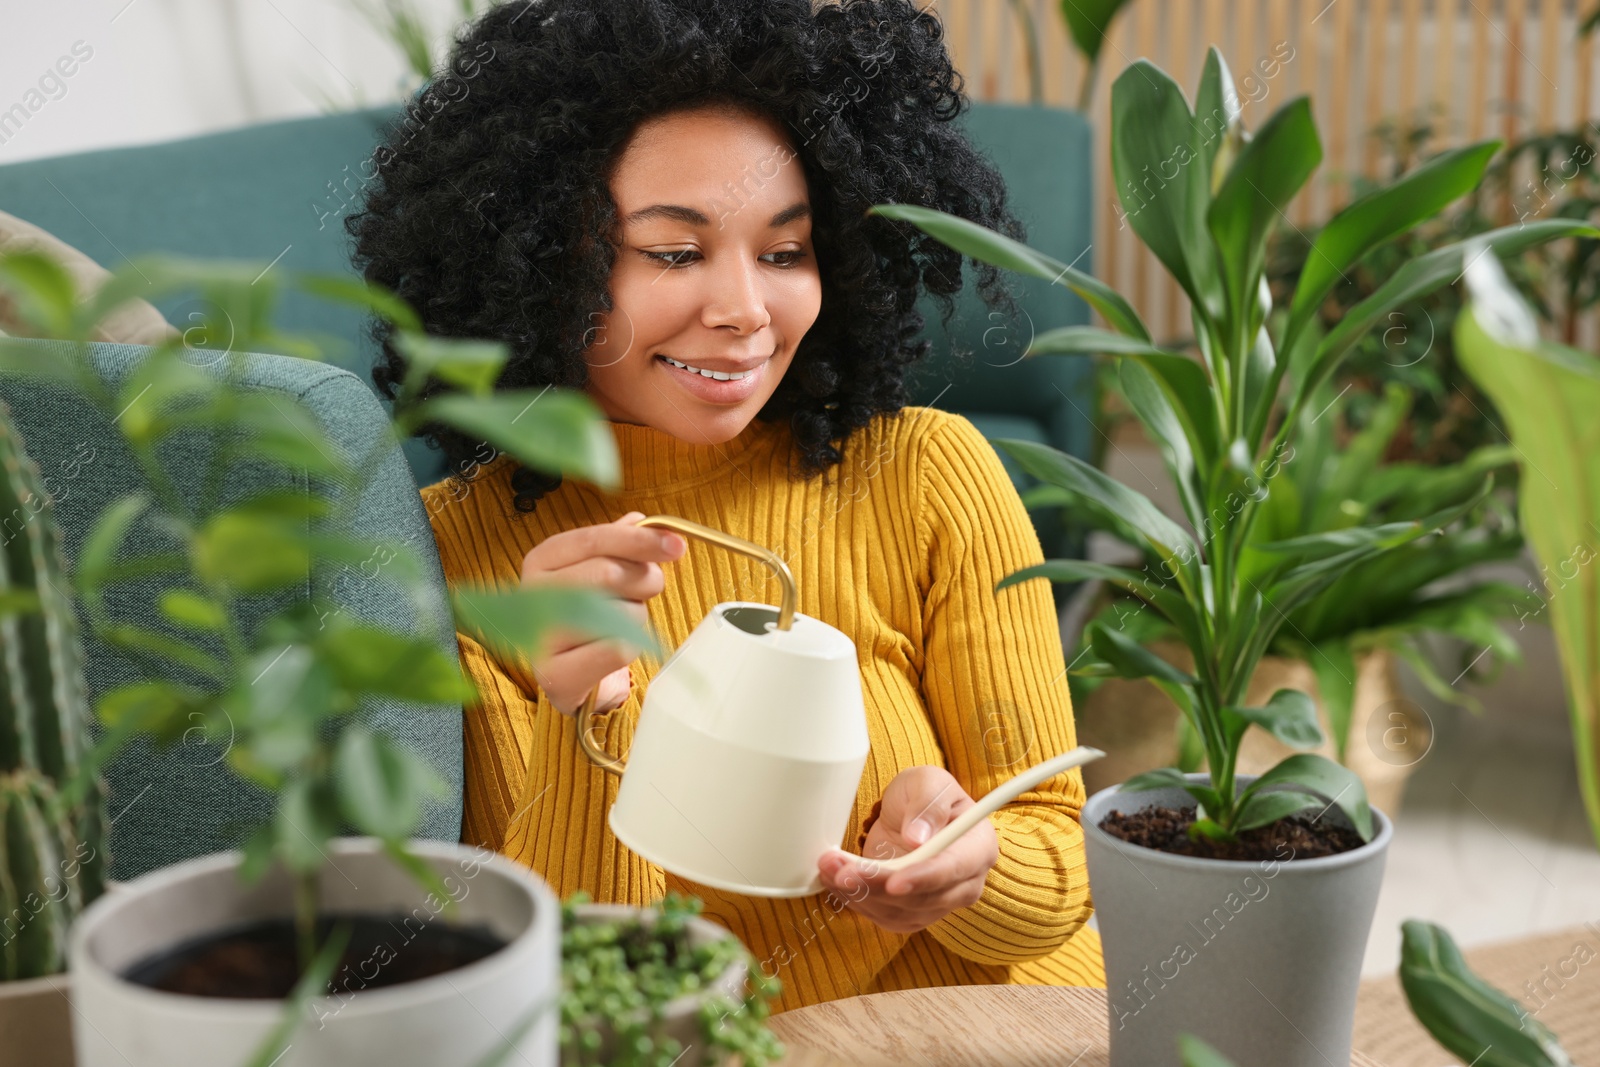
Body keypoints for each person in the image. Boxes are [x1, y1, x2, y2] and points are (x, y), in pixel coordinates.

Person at [347, 0, 1103, 1012]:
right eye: (673, 251)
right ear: (536, 262)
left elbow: (1062, 869)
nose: (745, 308)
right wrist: (588, 717)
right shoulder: (462, 553)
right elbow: (575, 990)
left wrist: (966, 868)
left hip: (1006, 1022)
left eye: (786, 252)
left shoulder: (928, 473)